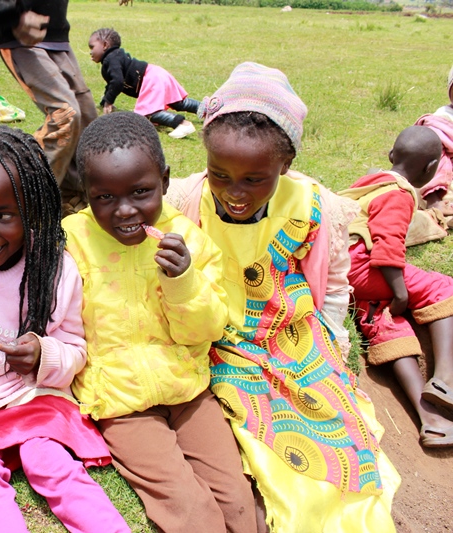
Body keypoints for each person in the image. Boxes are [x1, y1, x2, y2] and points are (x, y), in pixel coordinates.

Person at [163, 62, 401, 532]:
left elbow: (333, 286)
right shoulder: (184, 198)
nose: (235, 193)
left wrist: (332, 342)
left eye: (254, 179)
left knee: (335, 418)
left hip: (291, 335)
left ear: (284, 165)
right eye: (220, 174)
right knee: (259, 435)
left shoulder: (315, 204)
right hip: (218, 335)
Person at [0, 126, 129, 533]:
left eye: (3, 215)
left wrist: (44, 355)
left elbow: (75, 348)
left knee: (48, 460)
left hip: (39, 401)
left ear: (31, 208)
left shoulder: (54, 267)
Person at [62, 111, 256, 533]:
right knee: (192, 513)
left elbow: (208, 330)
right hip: (122, 403)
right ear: (86, 193)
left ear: (165, 182)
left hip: (188, 390)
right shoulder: (70, 241)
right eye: (104, 198)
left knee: (240, 505)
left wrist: (183, 281)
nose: (124, 210)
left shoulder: (189, 241)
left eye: (140, 192)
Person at [339, 126, 453, 448]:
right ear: (431, 170)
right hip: (363, 264)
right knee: (443, 287)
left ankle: (431, 419)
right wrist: (401, 292)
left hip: (339, 273)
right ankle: (445, 380)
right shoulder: (399, 194)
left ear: (391, 156)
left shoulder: (372, 183)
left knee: (386, 319)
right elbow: (387, 246)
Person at [0, 0, 98, 215]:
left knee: (87, 118)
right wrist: (4, 16)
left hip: (54, 34)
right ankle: (26, 204)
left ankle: (70, 199)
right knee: (64, 114)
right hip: (20, 32)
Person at [87, 28, 200, 139]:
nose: (90, 52)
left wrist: (109, 102)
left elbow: (117, 82)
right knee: (177, 103)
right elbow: (112, 84)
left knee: (149, 113)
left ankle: (182, 124)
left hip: (150, 79)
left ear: (105, 45)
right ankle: (207, 108)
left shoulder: (110, 59)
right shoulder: (114, 57)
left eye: (92, 47)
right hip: (155, 73)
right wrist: (104, 101)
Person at [413, 64, 453, 215]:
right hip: (439, 182)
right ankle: (434, 204)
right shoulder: (443, 119)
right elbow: (431, 154)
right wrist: (434, 196)